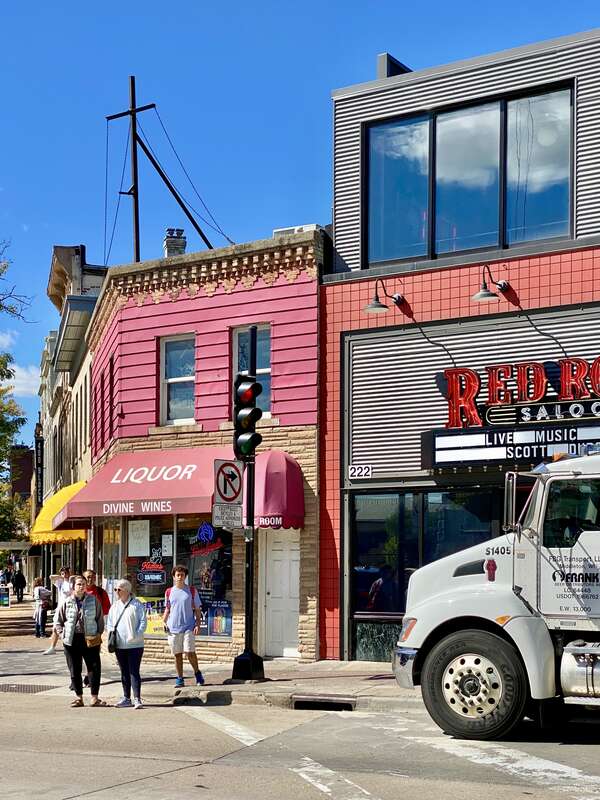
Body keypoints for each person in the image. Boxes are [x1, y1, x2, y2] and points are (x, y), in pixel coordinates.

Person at [54, 575, 107, 708]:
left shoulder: (93, 600)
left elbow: (100, 619)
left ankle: (95, 698)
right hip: (72, 640)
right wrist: (62, 635)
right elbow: (58, 621)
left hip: (90, 639)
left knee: (94, 668)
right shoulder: (67, 602)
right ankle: (79, 697)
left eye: (83, 584)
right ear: (73, 587)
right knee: (74, 669)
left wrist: (98, 634)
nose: (81, 586)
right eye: (78, 584)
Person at [107, 578, 147, 709]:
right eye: (115, 589)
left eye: (119, 589)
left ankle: (137, 698)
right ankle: (126, 697)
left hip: (135, 645)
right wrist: (112, 634)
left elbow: (143, 622)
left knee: (134, 671)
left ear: (127, 590)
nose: (117, 592)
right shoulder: (115, 606)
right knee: (124, 671)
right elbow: (110, 623)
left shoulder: (137, 604)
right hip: (120, 645)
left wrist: (137, 634)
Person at [162, 564, 204, 688]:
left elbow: (197, 609)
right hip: (173, 627)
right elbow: (168, 608)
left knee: (189, 651)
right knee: (177, 654)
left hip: (188, 626)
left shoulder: (191, 591)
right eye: (178, 575)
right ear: (174, 577)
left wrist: (197, 624)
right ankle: (179, 678)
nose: (180, 577)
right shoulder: (169, 591)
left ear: (185, 576)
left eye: (182, 575)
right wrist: (163, 621)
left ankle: (197, 673)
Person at [43, 566, 72, 655]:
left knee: (69, 628)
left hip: (70, 608)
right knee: (55, 627)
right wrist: (61, 576)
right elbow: (51, 576)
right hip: (60, 608)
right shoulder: (61, 582)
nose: (65, 574)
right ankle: (52, 647)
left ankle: (69, 647)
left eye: (66, 572)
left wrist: (70, 576)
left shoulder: (73, 582)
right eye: (63, 573)